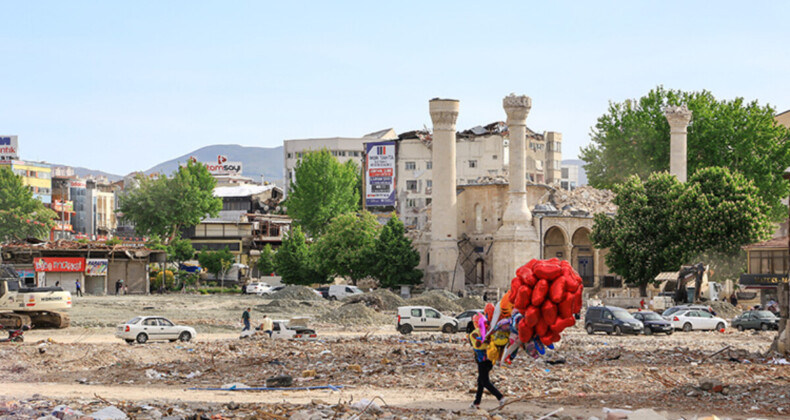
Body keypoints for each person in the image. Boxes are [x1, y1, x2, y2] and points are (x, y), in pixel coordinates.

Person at [468, 321, 505, 409]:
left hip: (483, 362)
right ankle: (476, 402)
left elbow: (477, 346)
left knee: (484, 381)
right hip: (489, 361)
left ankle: (500, 397)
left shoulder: (477, 335)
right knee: (480, 381)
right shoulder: (488, 334)